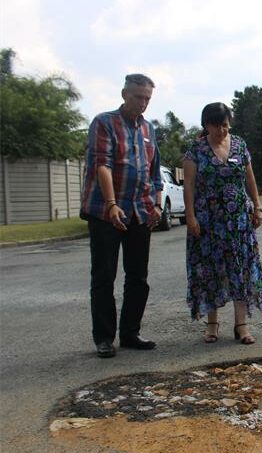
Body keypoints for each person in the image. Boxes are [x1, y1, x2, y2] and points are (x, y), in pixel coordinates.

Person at [80, 73, 163, 358]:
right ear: (124, 94)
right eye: (138, 97)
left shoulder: (148, 129)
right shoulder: (104, 122)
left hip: (140, 211)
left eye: (147, 99)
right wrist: (112, 203)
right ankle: (104, 337)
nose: (143, 103)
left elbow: (155, 173)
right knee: (104, 275)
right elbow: (101, 165)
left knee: (138, 275)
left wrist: (158, 205)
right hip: (106, 211)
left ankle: (131, 333)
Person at [182, 102, 262, 344]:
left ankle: (241, 325)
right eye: (216, 125)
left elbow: (250, 178)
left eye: (225, 125)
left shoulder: (240, 145)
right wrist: (190, 216)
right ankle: (212, 324)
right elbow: (188, 186)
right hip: (207, 221)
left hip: (239, 220)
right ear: (206, 125)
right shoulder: (195, 150)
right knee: (210, 270)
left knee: (240, 269)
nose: (221, 130)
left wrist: (257, 207)